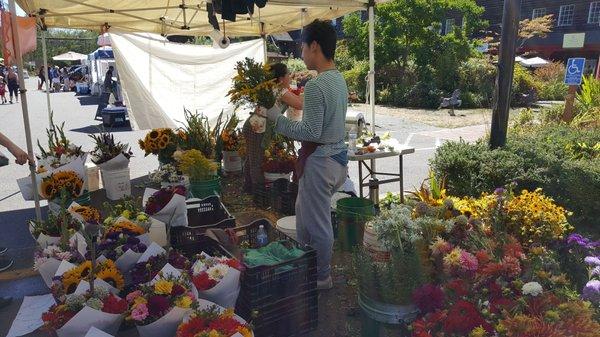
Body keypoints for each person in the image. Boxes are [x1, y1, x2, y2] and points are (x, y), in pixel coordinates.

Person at [265, 20, 348, 290]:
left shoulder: (317, 85)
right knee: (306, 215)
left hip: (321, 161)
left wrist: (276, 119)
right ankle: (306, 267)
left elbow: (310, 131)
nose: (301, 53)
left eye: (302, 46)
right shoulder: (338, 79)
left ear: (314, 46)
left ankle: (321, 277)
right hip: (336, 159)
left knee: (318, 224)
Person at [242, 63, 303, 192]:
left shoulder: (272, 88)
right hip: (256, 126)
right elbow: (299, 104)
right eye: (288, 74)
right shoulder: (280, 90)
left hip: (255, 125)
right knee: (256, 161)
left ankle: (249, 188)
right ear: (281, 78)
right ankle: (257, 193)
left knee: (252, 158)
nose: (290, 77)